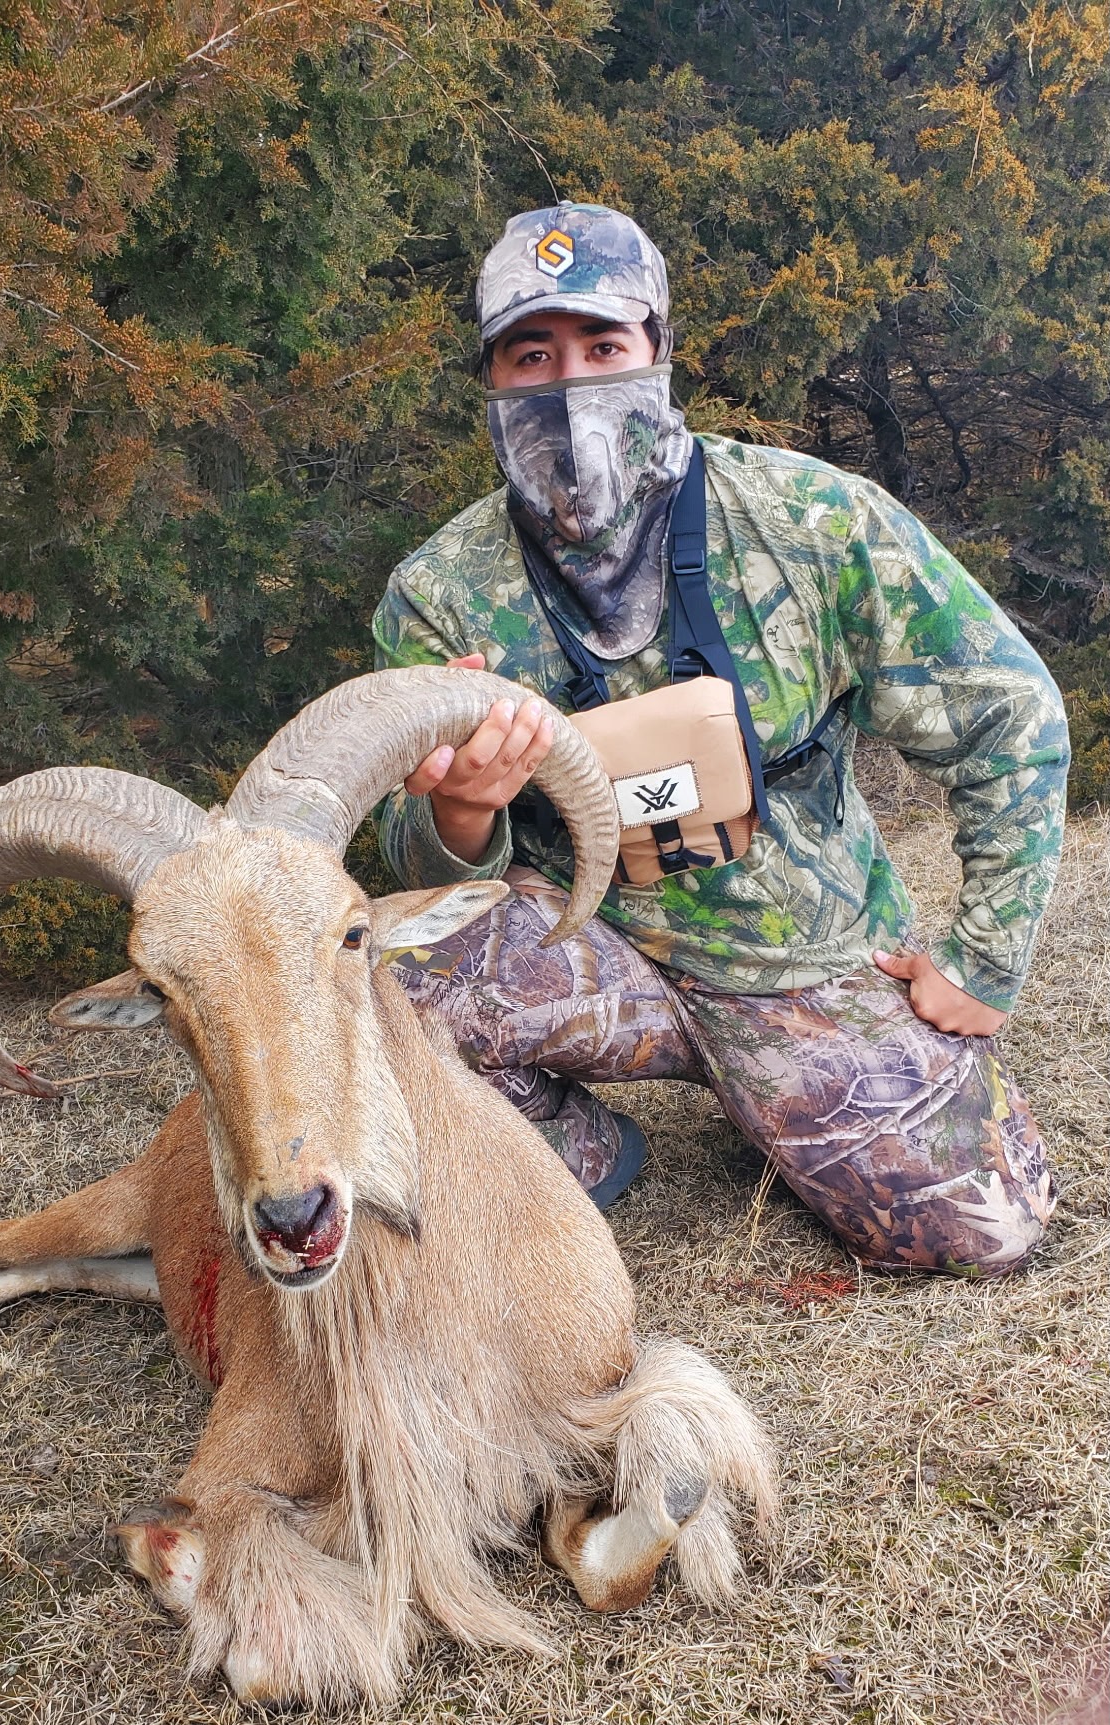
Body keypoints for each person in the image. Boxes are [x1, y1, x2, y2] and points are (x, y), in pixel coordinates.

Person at [372, 203, 1069, 1275]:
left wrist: (982, 959)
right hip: (583, 949)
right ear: (492, 381)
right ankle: (569, 1150)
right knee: (374, 985)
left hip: (803, 962)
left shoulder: (812, 520)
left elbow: (1008, 715)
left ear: (656, 352)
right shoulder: (441, 595)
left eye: (603, 347)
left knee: (985, 1233)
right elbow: (413, 869)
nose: (568, 385)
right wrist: (460, 807)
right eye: (531, 355)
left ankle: (793, 1093)